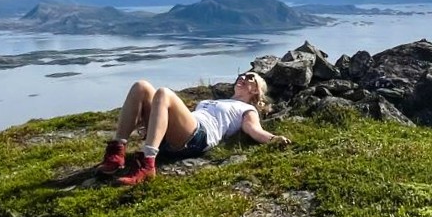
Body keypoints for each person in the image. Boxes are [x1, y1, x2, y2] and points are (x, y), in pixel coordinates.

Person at [98, 70, 292, 185]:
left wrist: (274, 139)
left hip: (199, 136)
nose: (243, 77)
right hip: (178, 133)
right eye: (241, 75)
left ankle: (148, 163)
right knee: (141, 86)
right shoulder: (216, 101)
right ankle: (117, 152)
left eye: (250, 78)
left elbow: (253, 130)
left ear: (256, 90)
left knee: (164, 93)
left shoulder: (247, 109)